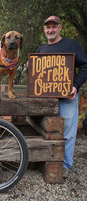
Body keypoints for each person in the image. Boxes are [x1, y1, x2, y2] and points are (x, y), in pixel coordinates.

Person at [36, 16, 87, 178]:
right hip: (45, 100)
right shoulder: (40, 49)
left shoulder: (71, 44)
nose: (50, 30)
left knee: (67, 132)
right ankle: (46, 160)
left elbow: (85, 65)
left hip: (67, 98)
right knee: (45, 129)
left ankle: (65, 165)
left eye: (54, 27)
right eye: (47, 27)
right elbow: (36, 74)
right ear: (44, 29)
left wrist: (75, 85)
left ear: (59, 28)